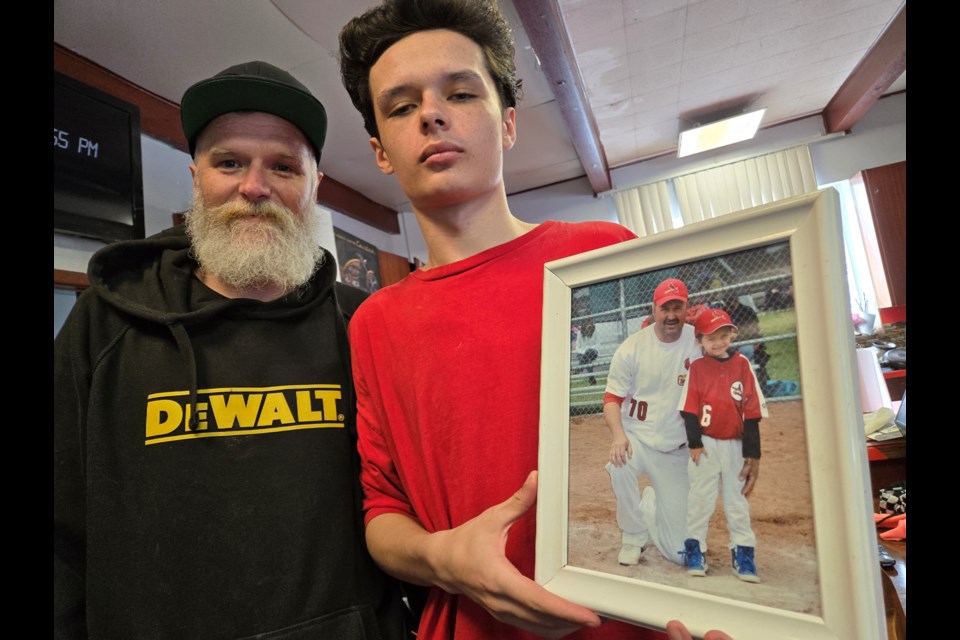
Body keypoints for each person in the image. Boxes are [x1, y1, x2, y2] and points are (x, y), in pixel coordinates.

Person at [338, 2, 732, 639]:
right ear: (381, 151)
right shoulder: (374, 322)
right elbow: (382, 515)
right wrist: (444, 559)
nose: (432, 115)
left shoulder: (604, 251)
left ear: (510, 122)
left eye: (460, 92)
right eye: (402, 106)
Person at [54, 61, 405, 639]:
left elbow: (398, 502)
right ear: (196, 178)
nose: (255, 187)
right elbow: (60, 532)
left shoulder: (361, 322)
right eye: (230, 162)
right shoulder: (106, 322)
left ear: (313, 186)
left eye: (284, 167)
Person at [603, 278, 703, 567]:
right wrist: (618, 436)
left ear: (686, 308)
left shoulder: (697, 342)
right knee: (618, 463)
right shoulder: (632, 348)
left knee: (679, 554)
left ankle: (651, 504)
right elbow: (611, 399)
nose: (671, 315)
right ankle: (633, 536)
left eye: (677, 307)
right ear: (653, 309)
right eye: (665, 308)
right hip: (638, 439)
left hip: (676, 448)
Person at [677, 309, 767, 583]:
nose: (718, 342)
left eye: (723, 336)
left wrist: (752, 454)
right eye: (711, 338)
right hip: (705, 444)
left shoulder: (742, 365)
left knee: (736, 501)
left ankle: (743, 553)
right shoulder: (697, 368)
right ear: (700, 341)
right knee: (700, 500)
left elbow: (751, 413)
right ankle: (695, 550)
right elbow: (689, 409)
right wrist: (694, 442)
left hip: (735, 445)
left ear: (732, 335)